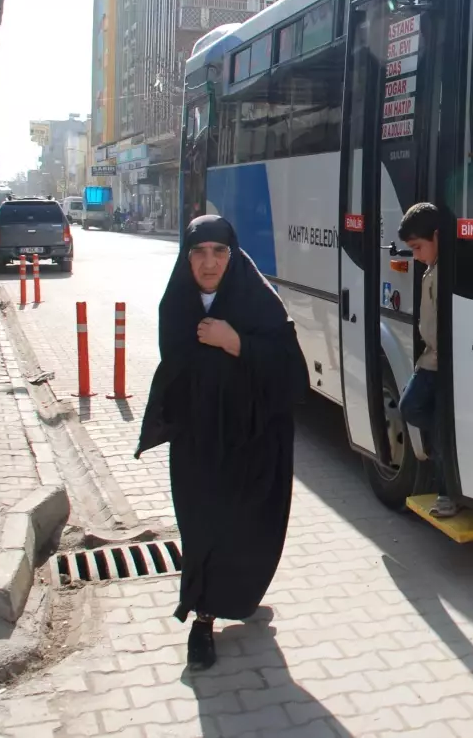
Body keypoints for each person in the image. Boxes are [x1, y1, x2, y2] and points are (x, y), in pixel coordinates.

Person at [135, 215, 309, 671]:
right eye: (198, 252)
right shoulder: (176, 305)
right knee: (203, 531)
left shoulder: (257, 301)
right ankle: (202, 620)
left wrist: (236, 343)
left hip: (253, 441)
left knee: (249, 529)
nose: (209, 263)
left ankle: (238, 595)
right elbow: (176, 369)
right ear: (186, 257)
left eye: (219, 252)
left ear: (232, 256)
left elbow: (292, 372)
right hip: (199, 445)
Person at [397, 202, 457, 518]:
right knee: (418, 411)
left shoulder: (448, 270)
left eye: (418, 247)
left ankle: (448, 489)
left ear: (437, 236)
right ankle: (445, 448)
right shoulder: (433, 267)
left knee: (411, 406)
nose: (416, 256)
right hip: (430, 359)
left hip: (439, 362)